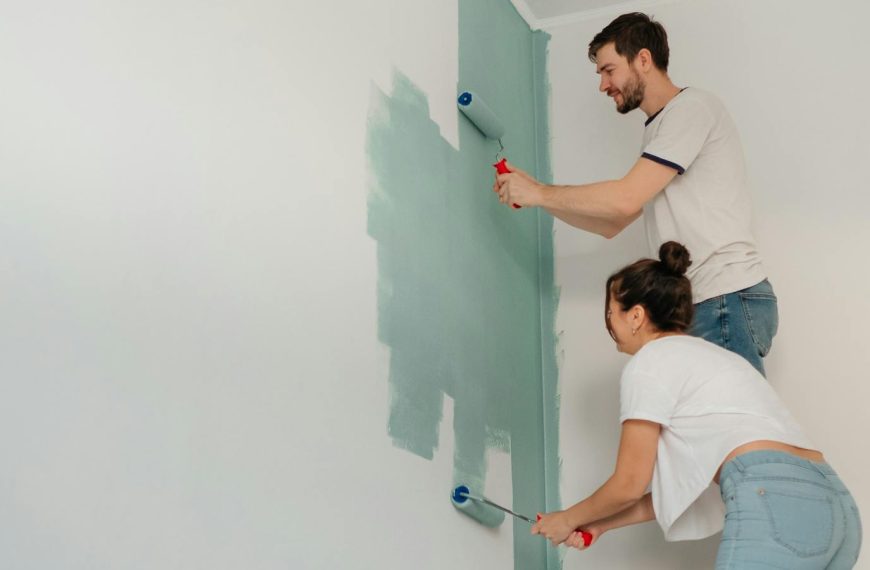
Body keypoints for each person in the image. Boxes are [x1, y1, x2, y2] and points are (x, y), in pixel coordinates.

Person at [531, 242, 861, 568]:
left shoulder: (649, 363)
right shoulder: (717, 360)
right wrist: (600, 523)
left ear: (635, 316)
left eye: (610, 312)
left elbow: (629, 483)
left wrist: (567, 518)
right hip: (838, 508)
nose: (609, 323)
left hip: (773, 498)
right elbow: (678, 493)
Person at [493, 13, 778, 376]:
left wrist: (539, 191)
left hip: (725, 298)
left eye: (608, 70)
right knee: (702, 428)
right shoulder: (661, 131)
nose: (602, 85)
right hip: (710, 301)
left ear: (643, 59)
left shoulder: (690, 110)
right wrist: (539, 196)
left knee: (730, 429)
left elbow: (624, 198)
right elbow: (612, 222)